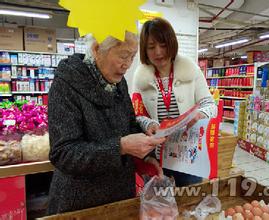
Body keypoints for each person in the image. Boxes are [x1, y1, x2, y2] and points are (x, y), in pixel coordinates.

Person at [47, 32, 165, 214]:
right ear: (96, 50)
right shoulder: (66, 84)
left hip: (120, 197)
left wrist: (146, 158)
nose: (127, 65)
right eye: (123, 56)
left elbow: (129, 125)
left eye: (133, 56)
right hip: (79, 203)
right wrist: (120, 147)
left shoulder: (119, 83)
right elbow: (63, 154)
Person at [132, 18, 217, 187]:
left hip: (188, 157)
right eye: (151, 47)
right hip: (156, 157)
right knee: (159, 207)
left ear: (172, 44)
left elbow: (211, 105)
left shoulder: (191, 70)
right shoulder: (140, 78)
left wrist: (200, 114)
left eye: (163, 45)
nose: (158, 52)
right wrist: (149, 123)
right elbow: (135, 115)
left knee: (188, 204)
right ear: (144, 50)